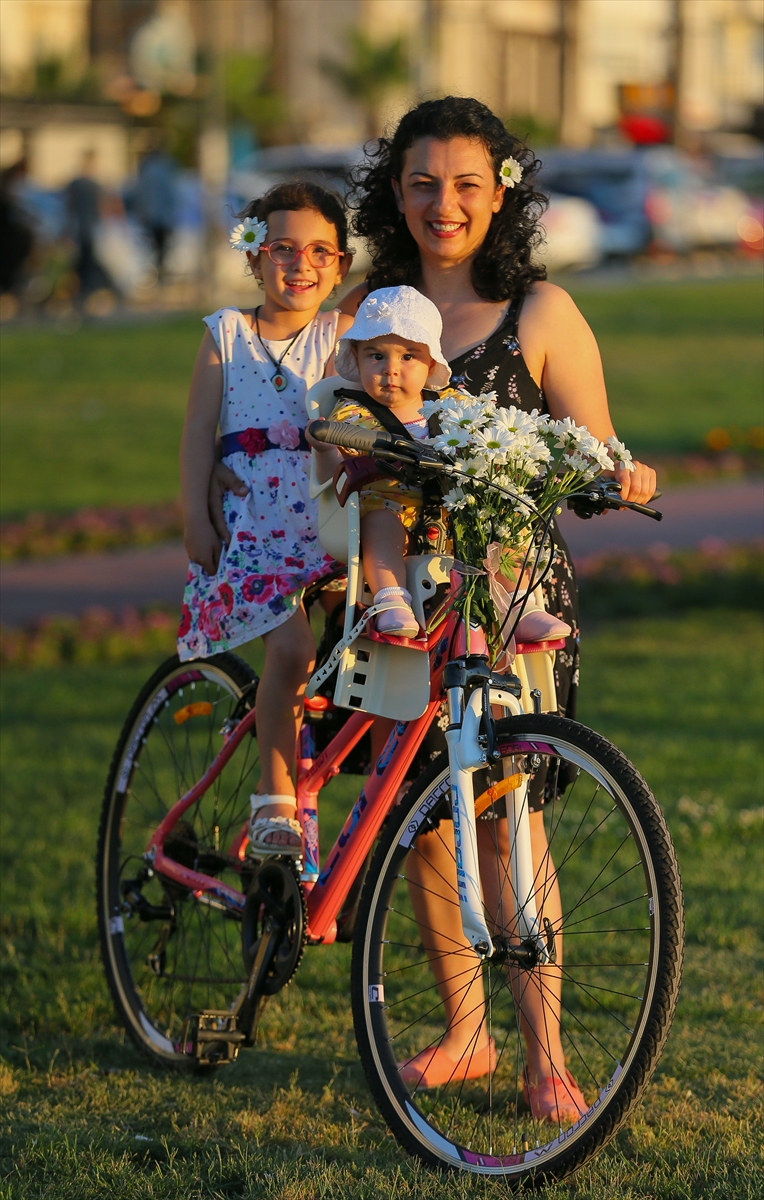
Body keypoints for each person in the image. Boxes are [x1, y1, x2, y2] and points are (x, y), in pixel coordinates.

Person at [209, 97, 656, 1120]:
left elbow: (595, 444)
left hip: (507, 607)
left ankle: (543, 1052)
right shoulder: (370, 307)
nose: (441, 205)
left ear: (500, 188)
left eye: (463, 183)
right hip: (392, 595)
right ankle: (464, 1033)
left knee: (506, 822)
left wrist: (616, 475)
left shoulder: (539, 311)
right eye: (419, 184)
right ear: (392, 191)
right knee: (411, 820)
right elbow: (324, 429)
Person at [178, 181, 353, 858]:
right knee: (292, 650)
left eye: (319, 251)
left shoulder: (341, 337)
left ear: (339, 266)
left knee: (354, 652)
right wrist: (195, 515)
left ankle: (298, 754)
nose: (299, 264)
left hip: (327, 524)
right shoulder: (227, 336)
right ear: (253, 258)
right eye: (281, 248)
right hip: (255, 531)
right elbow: (197, 431)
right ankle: (274, 804)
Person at [311, 285, 450, 638]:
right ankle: (391, 598)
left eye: (408, 357)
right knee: (382, 523)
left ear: (430, 362)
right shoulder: (353, 415)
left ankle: (514, 595)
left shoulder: (451, 410)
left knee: (500, 523)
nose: (391, 369)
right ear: (356, 358)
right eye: (376, 356)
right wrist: (326, 449)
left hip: (449, 512)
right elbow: (331, 481)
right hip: (387, 510)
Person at [65, 150, 112, 301]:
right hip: (86, 226)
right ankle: (86, 289)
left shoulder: (79, 183)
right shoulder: (90, 184)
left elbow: (69, 205)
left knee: (85, 259)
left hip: (83, 226)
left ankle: (83, 289)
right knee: (86, 259)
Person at [135, 145, 177, 278]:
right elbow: (170, 196)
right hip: (162, 217)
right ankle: (159, 273)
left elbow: (139, 196)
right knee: (162, 249)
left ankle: (152, 274)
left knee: (150, 248)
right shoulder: (164, 171)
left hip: (148, 216)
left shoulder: (145, 172)